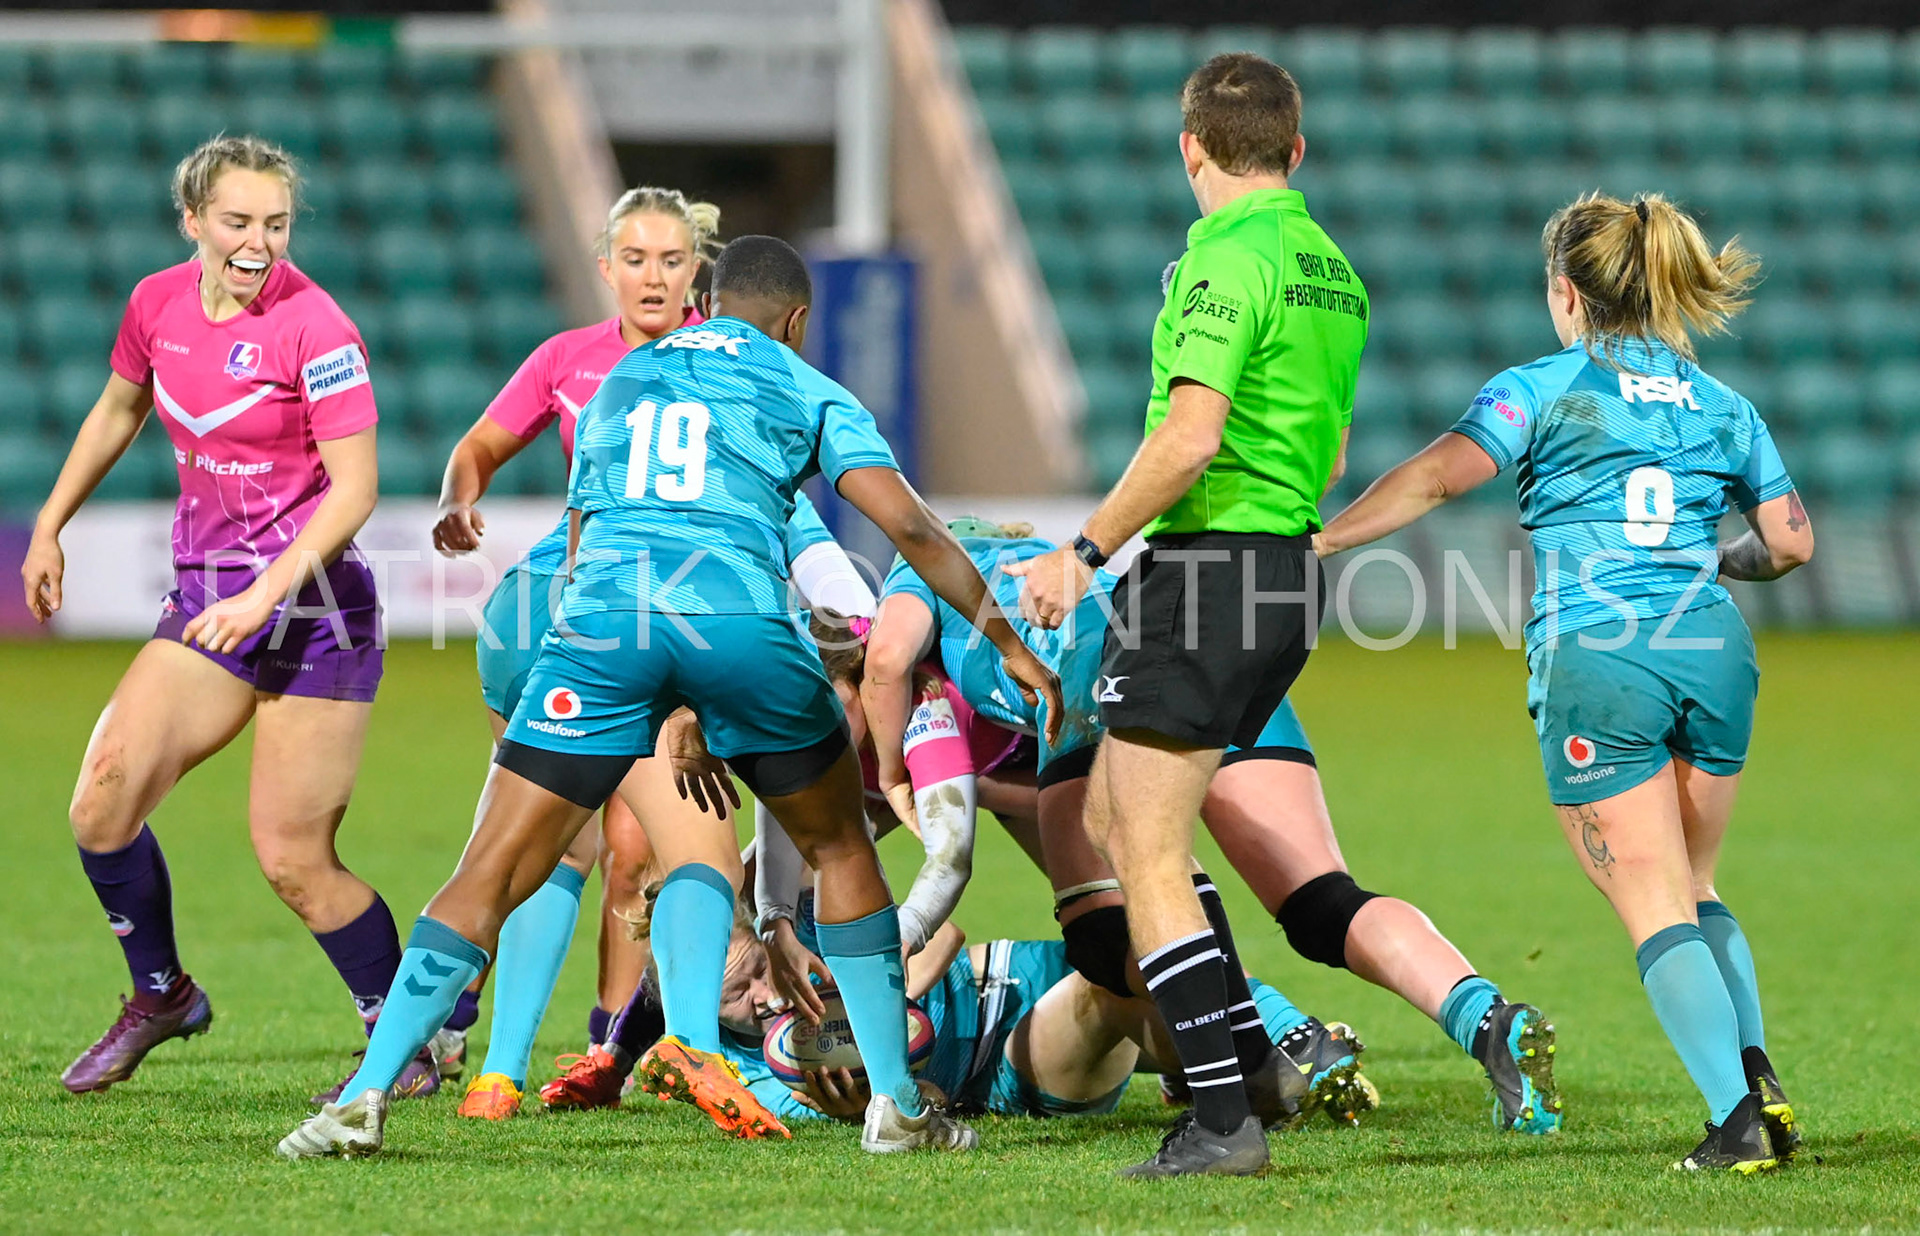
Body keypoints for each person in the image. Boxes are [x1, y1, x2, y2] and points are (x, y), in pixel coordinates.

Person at [275, 235, 1063, 1161]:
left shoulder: (623, 376)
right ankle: (895, 1107)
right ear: (797, 321)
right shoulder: (805, 385)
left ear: (707, 297)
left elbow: (584, 537)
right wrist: (1008, 643)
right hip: (740, 623)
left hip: (599, 623)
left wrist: (648, 696)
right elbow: (913, 529)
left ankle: (365, 1099)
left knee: (491, 864)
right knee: (841, 845)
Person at [1313, 192, 1810, 1174]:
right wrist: (1716, 569)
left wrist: (1326, 534)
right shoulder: (1723, 404)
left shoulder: (1542, 387)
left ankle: (1738, 1120)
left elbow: (1439, 476)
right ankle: (1762, 1083)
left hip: (1602, 656)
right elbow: (1792, 541)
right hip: (1713, 648)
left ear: (1567, 295)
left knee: (1652, 903)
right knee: (1698, 886)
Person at [18, 136, 437, 1096]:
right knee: (102, 801)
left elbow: (356, 489)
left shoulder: (318, 327)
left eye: (276, 225)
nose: (259, 245)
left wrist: (266, 592)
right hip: (212, 601)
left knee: (293, 860)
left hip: (316, 609)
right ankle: (160, 993)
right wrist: (50, 525)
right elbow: (118, 411)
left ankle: (402, 1037)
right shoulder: (155, 303)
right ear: (194, 219)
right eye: (239, 223)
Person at [1011, 54, 1365, 1177]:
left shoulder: (1221, 258)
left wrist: (1082, 552)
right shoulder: (1332, 270)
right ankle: (1242, 1065)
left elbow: (1191, 436)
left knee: (1147, 848)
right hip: (1286, 570)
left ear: (1191, 149)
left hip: (1208, 569)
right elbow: (1336, 447)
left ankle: (1223, 1122)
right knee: (1120, 819)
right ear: (1296, 150)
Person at [866, 525, 1371, 1126]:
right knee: (1147, 892)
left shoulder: (918, 614)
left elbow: (886, 666)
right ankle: (1260, 1044)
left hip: (1090, 688)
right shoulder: (983, 605)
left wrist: (895, 776)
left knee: (1121, 917)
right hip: (1142, 664)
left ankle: (1249, 1058)